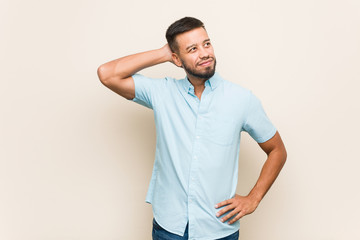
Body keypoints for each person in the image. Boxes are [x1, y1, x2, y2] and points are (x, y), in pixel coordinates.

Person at [97, 17, 287, 240]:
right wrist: (163, 53)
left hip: (218, 230)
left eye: (207, 44)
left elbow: (277, 150)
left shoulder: (242, 100)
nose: (205, 53)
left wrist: (253, 198)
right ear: (176, 59)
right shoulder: (163, 93)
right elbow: (107, 74)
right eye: (193, 49)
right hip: (169, 228)